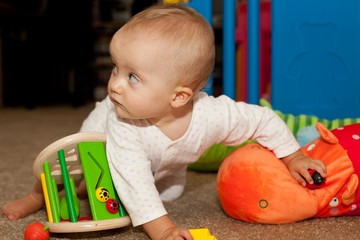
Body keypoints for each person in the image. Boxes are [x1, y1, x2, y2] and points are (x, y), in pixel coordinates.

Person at [2, 4, 327, 240]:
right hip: (102, 146)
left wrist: (293, 155)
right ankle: (35, 196)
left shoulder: (211, 115)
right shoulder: (122, 124)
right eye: (116, 68)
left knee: (166, 191)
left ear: (179, 97)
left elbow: (262, 120)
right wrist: (163, 229)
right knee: (72, 169)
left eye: (133, 77)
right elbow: (135, 182)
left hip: (166, 163)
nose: (114, 84)